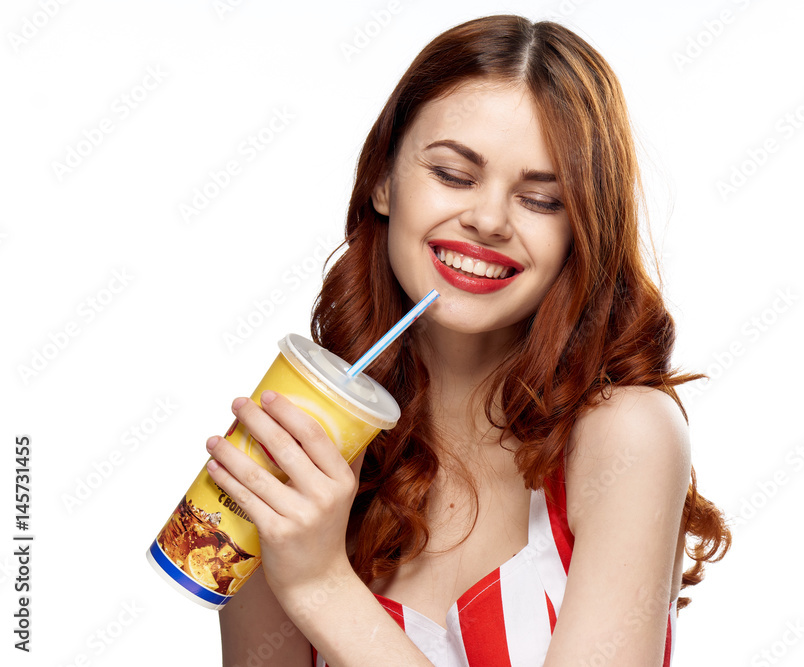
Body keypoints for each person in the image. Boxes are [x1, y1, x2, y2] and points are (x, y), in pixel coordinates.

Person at [206, 14, 730, 666]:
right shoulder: (301, 456)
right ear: (382, 181)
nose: (487, 220)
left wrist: (321, 584)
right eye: (453, 175)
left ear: (582, 229)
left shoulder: (627, 438)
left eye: (542, 200)